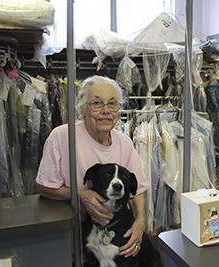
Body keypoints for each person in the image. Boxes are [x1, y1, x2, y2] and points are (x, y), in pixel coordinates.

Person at [35, 75, 149, 259]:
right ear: (82, 109)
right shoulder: (62, 136)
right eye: (97, 103)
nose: (106, 110)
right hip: (69, 233)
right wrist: (80, 195)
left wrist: (140, 221)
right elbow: (44, 186)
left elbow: (138, 189)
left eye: (112, 104)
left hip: (113, 232)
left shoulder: (124, 143)